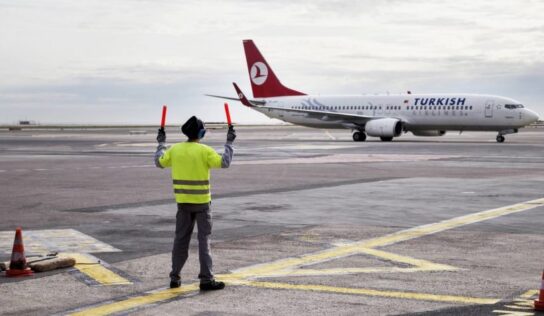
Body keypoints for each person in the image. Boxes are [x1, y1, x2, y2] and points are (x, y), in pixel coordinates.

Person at [154, 116, 236, 290]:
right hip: (202, 204)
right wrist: (229, 142)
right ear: (201, 133)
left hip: (183, 204)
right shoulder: (204, 150)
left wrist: (161, 143)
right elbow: (225, 162)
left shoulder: (175, 150)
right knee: (203, 241)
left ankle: (175, 277)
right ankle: (206, 279)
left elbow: (159, 163)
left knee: (180, 241)